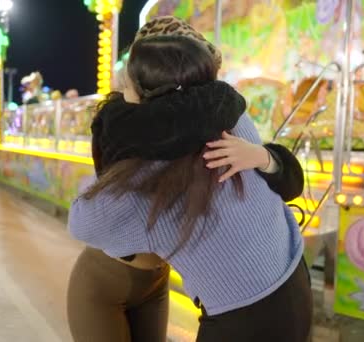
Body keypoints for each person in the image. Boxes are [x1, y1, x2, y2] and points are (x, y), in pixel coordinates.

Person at [68, 33, 311, 342]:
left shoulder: (142, 180)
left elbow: (80, 222)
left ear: (144, 100)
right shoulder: (231, 121)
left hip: (240, 318)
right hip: (293, 280)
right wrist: (266, 157)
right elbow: (286, 181)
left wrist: (118, 147)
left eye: (125, 87)